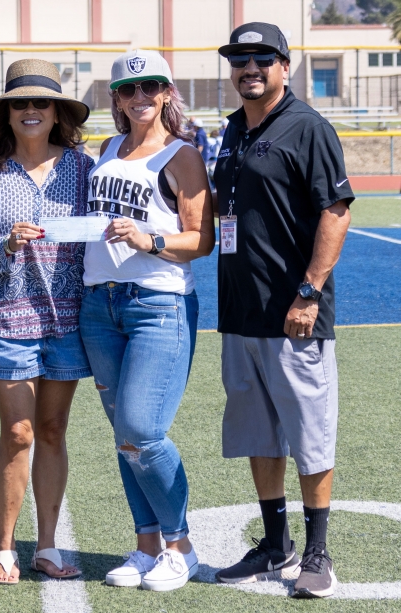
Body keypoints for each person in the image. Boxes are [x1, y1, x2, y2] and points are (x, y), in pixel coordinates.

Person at [213, 22, 353, 598]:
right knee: (259, 434)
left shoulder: (307, 127)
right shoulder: (231, 132)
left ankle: (318, 553)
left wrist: (310, 290)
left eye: (261, 58)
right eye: (240, 59)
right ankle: (276, 545)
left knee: (310, 436)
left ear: (284, 64)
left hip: (294, 314)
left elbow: (337, 210)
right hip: (240, 313)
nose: (250, 68)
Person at [80, 49, 215, 592]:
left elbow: (201, 240)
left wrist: (149, 239)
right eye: (129, 89)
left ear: (166, 92)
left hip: (157, 303)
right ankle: (145, 547)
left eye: (150, 86)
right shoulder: (107, 149)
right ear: (115, 98)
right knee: (124, 439)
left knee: (142, 429)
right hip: (99, 306)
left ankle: (181, 546)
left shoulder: (181, 156)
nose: (140, 97)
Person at [0, 59, 93, 585]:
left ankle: (49, 546)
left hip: (68, 320)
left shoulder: (83, 168)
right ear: (6, 113)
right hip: (6, 319)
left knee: (53, 431)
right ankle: (7, 546)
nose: (31, 110)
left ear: (57, 111)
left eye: (41, 102)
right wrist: (5, 244)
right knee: (17, 432)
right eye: (20, 102)